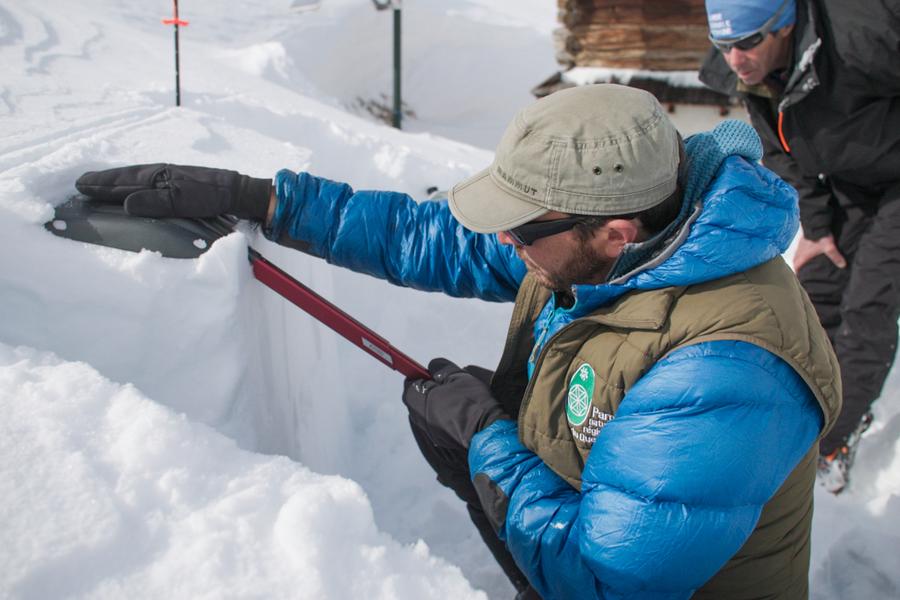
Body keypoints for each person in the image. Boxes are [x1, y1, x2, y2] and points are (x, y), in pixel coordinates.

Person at [75, 84, 841, 599]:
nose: (501, 238)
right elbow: (431, 237)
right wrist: (262, 199)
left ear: (615, 233)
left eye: (520, 225)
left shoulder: (724, 370)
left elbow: (608, 581)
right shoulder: (614, 241)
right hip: (603, 515)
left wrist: (488, 439)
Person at [698, 0, 900, 494]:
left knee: (867, 306)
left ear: (784, 26)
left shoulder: (864, 31)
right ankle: (793, 421)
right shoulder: (750, 72)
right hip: (851, 181)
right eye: (723, 46)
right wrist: (817, 225)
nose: (736, 59)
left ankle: (828, 446)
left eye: (748, 43)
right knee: (812, 296)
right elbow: (782, 150)